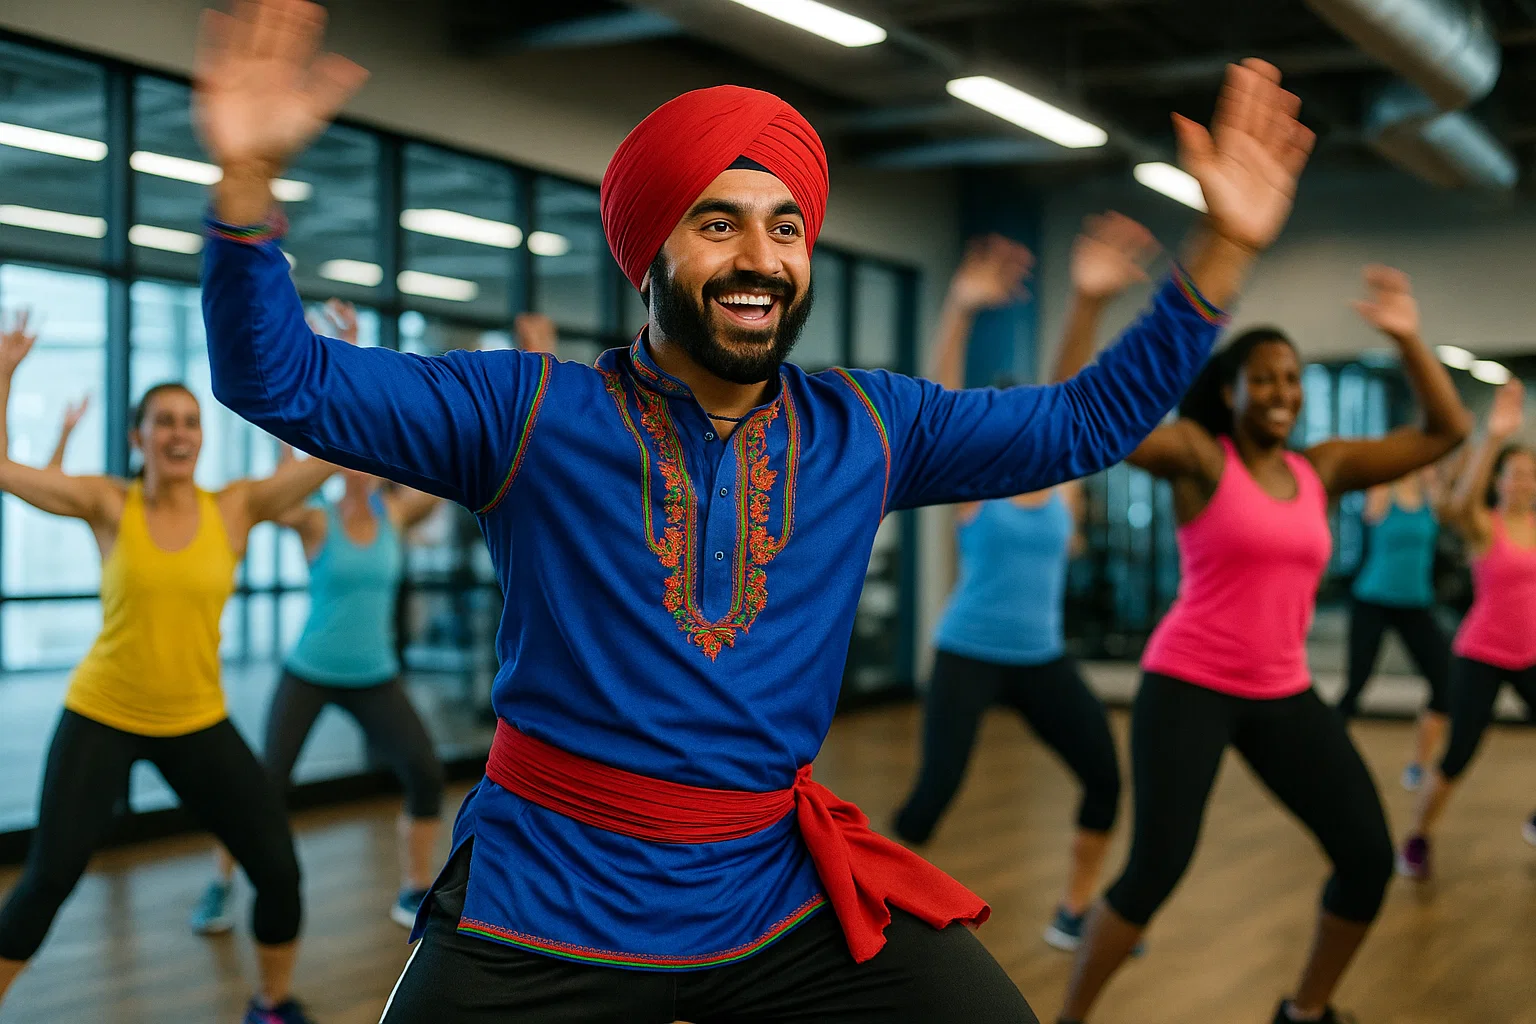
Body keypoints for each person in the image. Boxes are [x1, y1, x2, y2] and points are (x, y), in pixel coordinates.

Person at [194, 3, 1314, 1018]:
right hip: (549, 887)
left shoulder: (870, 427)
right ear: (651, 251)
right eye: (717, 223)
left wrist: (1222, 253)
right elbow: (283, 380)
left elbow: (1080, 424)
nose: (760, 258)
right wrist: (245, 188)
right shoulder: (527, 410)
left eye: (785, 228)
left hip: (767, 888)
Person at [1054, 263, 1471, 1024]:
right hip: (1188, 685)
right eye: (1265, 379)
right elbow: (1088, 416)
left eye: (1292, 379)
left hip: (1283, 691)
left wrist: (1410, 339)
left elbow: (1448, 432)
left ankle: (1306, 1011)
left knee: (1367, 859)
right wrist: (1087, 303)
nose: (1282, 393)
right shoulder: (1198, 456)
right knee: (1155, 870)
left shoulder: (1325, 467)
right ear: (1230, 390)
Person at [0, 312, 336, 1024]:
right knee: (48, 881)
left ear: (201, 437)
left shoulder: (236, 508)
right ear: (139, 438)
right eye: (163, 421)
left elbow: (331, 456)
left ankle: (272, 1005)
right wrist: (4, 371)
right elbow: (2, 470)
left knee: (277, 868)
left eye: (190, 421)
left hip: (197, 720)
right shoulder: (107, 503)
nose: (180, 432)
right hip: (103, 713)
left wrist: (326, 357)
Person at [893, 214, 1158, 953]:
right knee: (933, 793)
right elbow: (932, 409)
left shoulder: (1064, 485)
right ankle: (867, 904)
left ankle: (1074, 909)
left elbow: (1073, 392)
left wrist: (1089, 304)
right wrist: (960, 306)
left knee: (1104, 777)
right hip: (968, 652)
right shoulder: (975, 488)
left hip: (1039, 658)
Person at [187, 299, 455, 938]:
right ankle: (220, 883)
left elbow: (451, 472)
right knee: (263, 783)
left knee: (422, 771)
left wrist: (361, 357)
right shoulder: (315, 521)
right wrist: (313, 369)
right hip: (310, 669)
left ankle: (415, 886)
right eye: (349, 459)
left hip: (374, 675)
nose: (360, 469)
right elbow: (281, 485)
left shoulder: (396, 515)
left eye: (369, 460)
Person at [1398, 378, 1536, 879]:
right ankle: (1417, 838)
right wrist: (1494, 437)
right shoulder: (1484, 526)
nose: (1523, 483)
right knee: (1458, 755)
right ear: (1499, 481)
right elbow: (1454, 507)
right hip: (1481, 653)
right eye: (1515, 475)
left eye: (1531, 475)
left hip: (1530, 654)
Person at [1336, 466, 1451, 790]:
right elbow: (1368, 515)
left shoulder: (1432, 495)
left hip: (1416, 603)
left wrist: (1436, 480)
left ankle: (1419, 764)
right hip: (1373, 599)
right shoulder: (1382, 490)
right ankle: (1322, 756)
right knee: (1357, 683)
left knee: (1445, 682)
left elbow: (1454, 507)